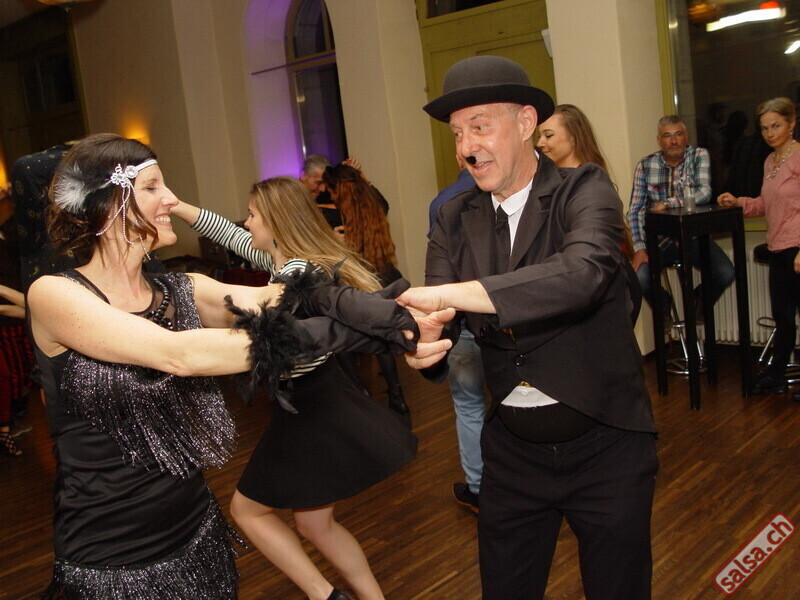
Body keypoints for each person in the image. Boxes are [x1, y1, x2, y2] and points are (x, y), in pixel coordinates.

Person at [27, 133, 438, 599]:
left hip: (195, 531)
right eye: (153, 187)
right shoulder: (55, 295)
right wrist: (360, 332)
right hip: (110, 552)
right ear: (108, 204)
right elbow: (179, 355)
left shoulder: (180, 287)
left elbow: (281, 298)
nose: (170, 199)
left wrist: (395, 314)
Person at [399, 55, 657, 600]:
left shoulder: (584, 189)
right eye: (457, 134)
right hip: (513, 455)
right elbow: (438, 316)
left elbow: (582, 274)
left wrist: (451, 296)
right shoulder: (453, 215)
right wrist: (423, 343)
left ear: (525, 123)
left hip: (606, 446)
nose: (466, 147)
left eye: (480, 127)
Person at [229, 176, 424, 600]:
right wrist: (183, 210)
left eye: (252, 214)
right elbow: (230, 234)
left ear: (276, 222)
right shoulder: (289, 260)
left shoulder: (295, 273)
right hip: (320, 396)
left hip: (309, 407)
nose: (246, 223)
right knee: (315, 523)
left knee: (247, 511)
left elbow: (273, 329)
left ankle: (325, 596)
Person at [718, 97, 800, 399]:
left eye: (776, 126)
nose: (769, 133)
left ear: (792, 123)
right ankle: (776, 376)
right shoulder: (770, 161)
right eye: (765, 128)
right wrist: (739, 202)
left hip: (798, 248)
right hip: (778, 246)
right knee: (783, 317)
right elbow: (769, 204)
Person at [323, 163, 410, 417]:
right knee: (381, 340)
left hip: (355, 286)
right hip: (383, 279)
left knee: (342, 340)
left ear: (336, 190)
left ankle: (362, 394)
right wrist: (360, 177)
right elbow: (381, 200)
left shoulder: (331, 218)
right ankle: (396, 395)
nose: (329, 195)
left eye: (330, 190)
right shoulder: (374, 207)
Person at [627, 115, 734, 318]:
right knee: (638, 278)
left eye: (678, 134)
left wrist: (669, 203)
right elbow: (635, 210)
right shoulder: (646, 165)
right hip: (660, 241)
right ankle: (664, 307)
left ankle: (697, 301)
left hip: (693, 237)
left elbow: (704, 192)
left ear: (686, 136)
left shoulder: (698, 155)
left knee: (725, 273)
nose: (674, 141)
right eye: (667, 136)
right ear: (659, 140)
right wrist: (639, 248)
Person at [428, 157, 485, 513]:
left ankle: (479, 489)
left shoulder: (441, 202)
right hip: (503, 323)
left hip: (461, 326)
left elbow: (441, 274)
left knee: (469, 406)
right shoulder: (508, 194)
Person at [538, 104, 637, 264]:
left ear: (573, 137)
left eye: (548, 135)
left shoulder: (591, 185)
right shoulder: (547, 181)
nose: (540, 143)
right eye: (539, 136)